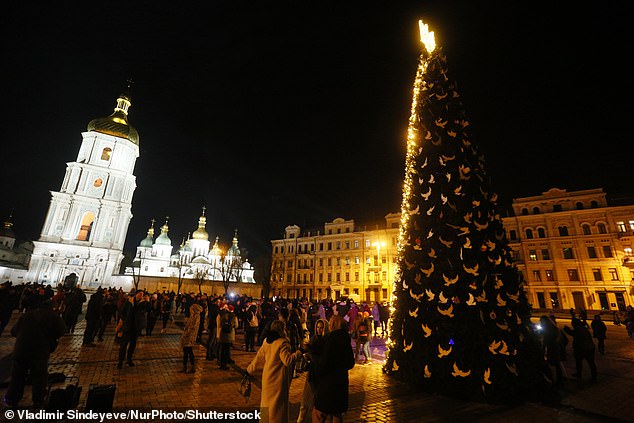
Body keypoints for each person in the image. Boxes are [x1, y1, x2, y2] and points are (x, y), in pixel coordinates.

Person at [3, 298, 65, 408]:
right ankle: (38, 400)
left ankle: (12, 399)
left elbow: (13, 331)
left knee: (17, 375)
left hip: (21, 350)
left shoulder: (27, 314)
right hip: (39, 351)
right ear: (52, 308)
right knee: (39, 376)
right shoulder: (53, 317)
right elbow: (61, 331)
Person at [247, 320, 303, 423]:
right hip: (278, 379)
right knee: (277, 407)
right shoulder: (282, 343)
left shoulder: (267, 341)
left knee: (266, 403)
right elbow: (287, 360)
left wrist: (249, 370)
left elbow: (258, 357)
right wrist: (299, 353)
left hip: (268, 376)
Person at [312, 315, 355, 423]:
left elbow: (323, 364)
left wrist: (316, 364)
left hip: (328, 384)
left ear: (333, 325)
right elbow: (350, 363)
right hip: (341, 384)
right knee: (336, 413)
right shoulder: (345, 340)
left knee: (319, 414)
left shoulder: (330, 340)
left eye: (331, 323)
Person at [297, 318, 328, 423]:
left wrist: (311, 354)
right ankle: (301, 419)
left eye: (321, 328)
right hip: (312, 372)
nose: (319, 330)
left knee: (318, 401)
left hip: (321, 374)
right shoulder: (314, 339)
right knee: (306, 399)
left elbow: (323, 358)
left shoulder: (326, 341)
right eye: (318, 327)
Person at [117, 290, 145, 369]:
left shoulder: (142, 304)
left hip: (135, 328)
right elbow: (122, 313)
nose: (141, 295)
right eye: (140, 293)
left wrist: (147, 301)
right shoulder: (129, 302)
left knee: (132, 345)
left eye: (142, 294)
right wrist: (125, 320)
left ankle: (129, 359)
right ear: (136, 294)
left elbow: (148, 309)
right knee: (123, 345)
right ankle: (120, 361)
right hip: (127, 327)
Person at [563, 318, 597, 382]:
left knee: (579, 361)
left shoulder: (578, 329)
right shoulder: (583, 328)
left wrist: (566, 329)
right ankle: (593, 376)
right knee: (591, 362)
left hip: (582, 348)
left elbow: (572, 333)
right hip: (590, 347)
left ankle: (581, 374)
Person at [539, 315, 564, 385]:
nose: (540, 322)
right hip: (556, 348)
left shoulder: (548, 329)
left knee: (553, 364)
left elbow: (546, 340)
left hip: (552, 348)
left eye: (541, 321)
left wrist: (543, 349)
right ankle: (559, 378)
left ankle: (556, 379)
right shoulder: (554, 328)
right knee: (557, 364)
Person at [179, 302, 202, 373]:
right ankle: (184, 366)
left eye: (191, 309)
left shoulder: (196, 317)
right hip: (187, 336)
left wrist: (187, 331)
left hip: (190, 337)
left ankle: (192, 367)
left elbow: (193, 327)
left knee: (189, 351)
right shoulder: (192, 316)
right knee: (185, 351)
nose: (190, 310)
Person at [216, 304, 238, 370]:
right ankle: (225, 364)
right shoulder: (233, 316)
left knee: (223, 350)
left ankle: (222, 363)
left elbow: (219, 324)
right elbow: (236, 325)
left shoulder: (222, 315)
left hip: (223, 335)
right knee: (227, 349)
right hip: (230, 335)